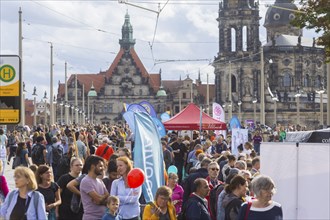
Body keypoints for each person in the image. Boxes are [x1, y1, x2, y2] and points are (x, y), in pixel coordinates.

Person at [80, 155, 109, 220]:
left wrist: (101, 199)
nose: (103, 168)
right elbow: (98, 199)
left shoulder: (100, 181)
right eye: (100, 166)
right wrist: (102, 198)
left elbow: (107, 196)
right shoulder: (86, 181)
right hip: (91, 217)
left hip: (103, 217)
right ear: (93, 167)